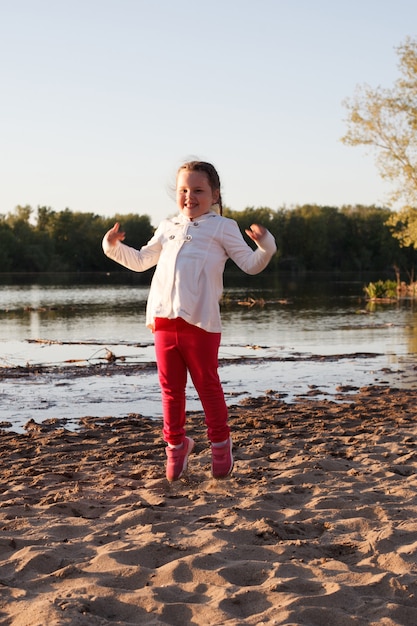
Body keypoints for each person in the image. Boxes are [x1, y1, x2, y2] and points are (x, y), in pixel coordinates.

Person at [102, 160, 276, 482]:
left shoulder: (223, 227)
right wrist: (112, 247)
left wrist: (265, 246)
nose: (189, 197)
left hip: (200, 322)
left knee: (207, 386)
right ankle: (176, 446)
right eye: (184, 190)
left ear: (215, 194)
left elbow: (251, 264)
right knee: (170, 389)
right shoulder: (167, 226)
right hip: (163, 320)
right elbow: (141, 261)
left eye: (198, 190)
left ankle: (221, 446)